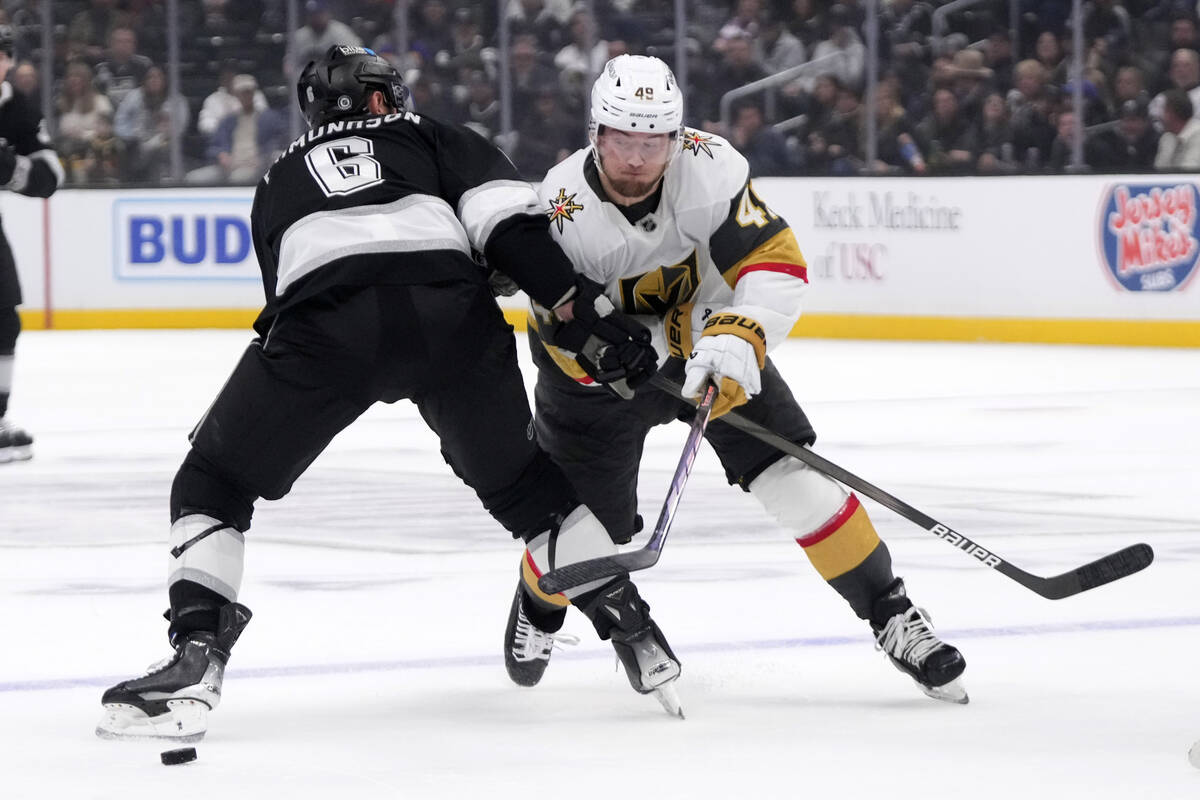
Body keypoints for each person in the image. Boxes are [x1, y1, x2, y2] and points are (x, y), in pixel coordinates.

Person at [94, 45, 673, 743]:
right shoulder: (434, 134)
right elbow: (509, 233)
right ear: (377, 99)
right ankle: (634, 627)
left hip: (327, 332)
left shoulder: (277, 176)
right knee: (528, 490)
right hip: (452, 321)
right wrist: (589, 317)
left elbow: (284, 293)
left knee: (212, 483)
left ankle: (196, 656)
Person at [504, 55, 968, 705]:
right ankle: (538, 599)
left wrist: (740, 335)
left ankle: (892, 615)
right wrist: (597, 357)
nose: (637, 159)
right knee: (583, 529)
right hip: (597, 384)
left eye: (652, 141)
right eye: (622, 141)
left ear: (674, 137)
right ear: (597, 135)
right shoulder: (563, 208)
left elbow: (772, 259)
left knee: (797, 481)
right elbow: (553, 323)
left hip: (708, 351)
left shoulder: (709, 167)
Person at [0, 25, 63, 462]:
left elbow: (50, 176)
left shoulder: (13, 105)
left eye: (4, 55)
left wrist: (8, 169)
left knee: (4, 315)